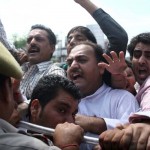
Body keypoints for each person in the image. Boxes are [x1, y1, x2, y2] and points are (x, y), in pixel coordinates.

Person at [0, 41, 84, 150]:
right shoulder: (29, 146)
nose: (70, 123)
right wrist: (68, 146)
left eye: (73, 114)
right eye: (62, 110)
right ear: (35, 108)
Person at [66, 41, 139, 149]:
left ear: (101, 68)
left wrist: (91, 123)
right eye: (69, 62)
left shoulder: (122, 98)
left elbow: (132, 131)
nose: (73, 66)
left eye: (82, 60)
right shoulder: (62, 103)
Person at [20, 24, 66, 100]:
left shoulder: (55, 73)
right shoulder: (20, 69)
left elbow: (47, 101)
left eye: (39, 39)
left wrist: (24, 106)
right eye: (29, 40)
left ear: (52, 48)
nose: (32, 42)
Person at [128, 32, 150, 111]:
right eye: (137, 55)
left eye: (149, 56)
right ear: (130, 59)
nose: (141, 61)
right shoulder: (134, 87)